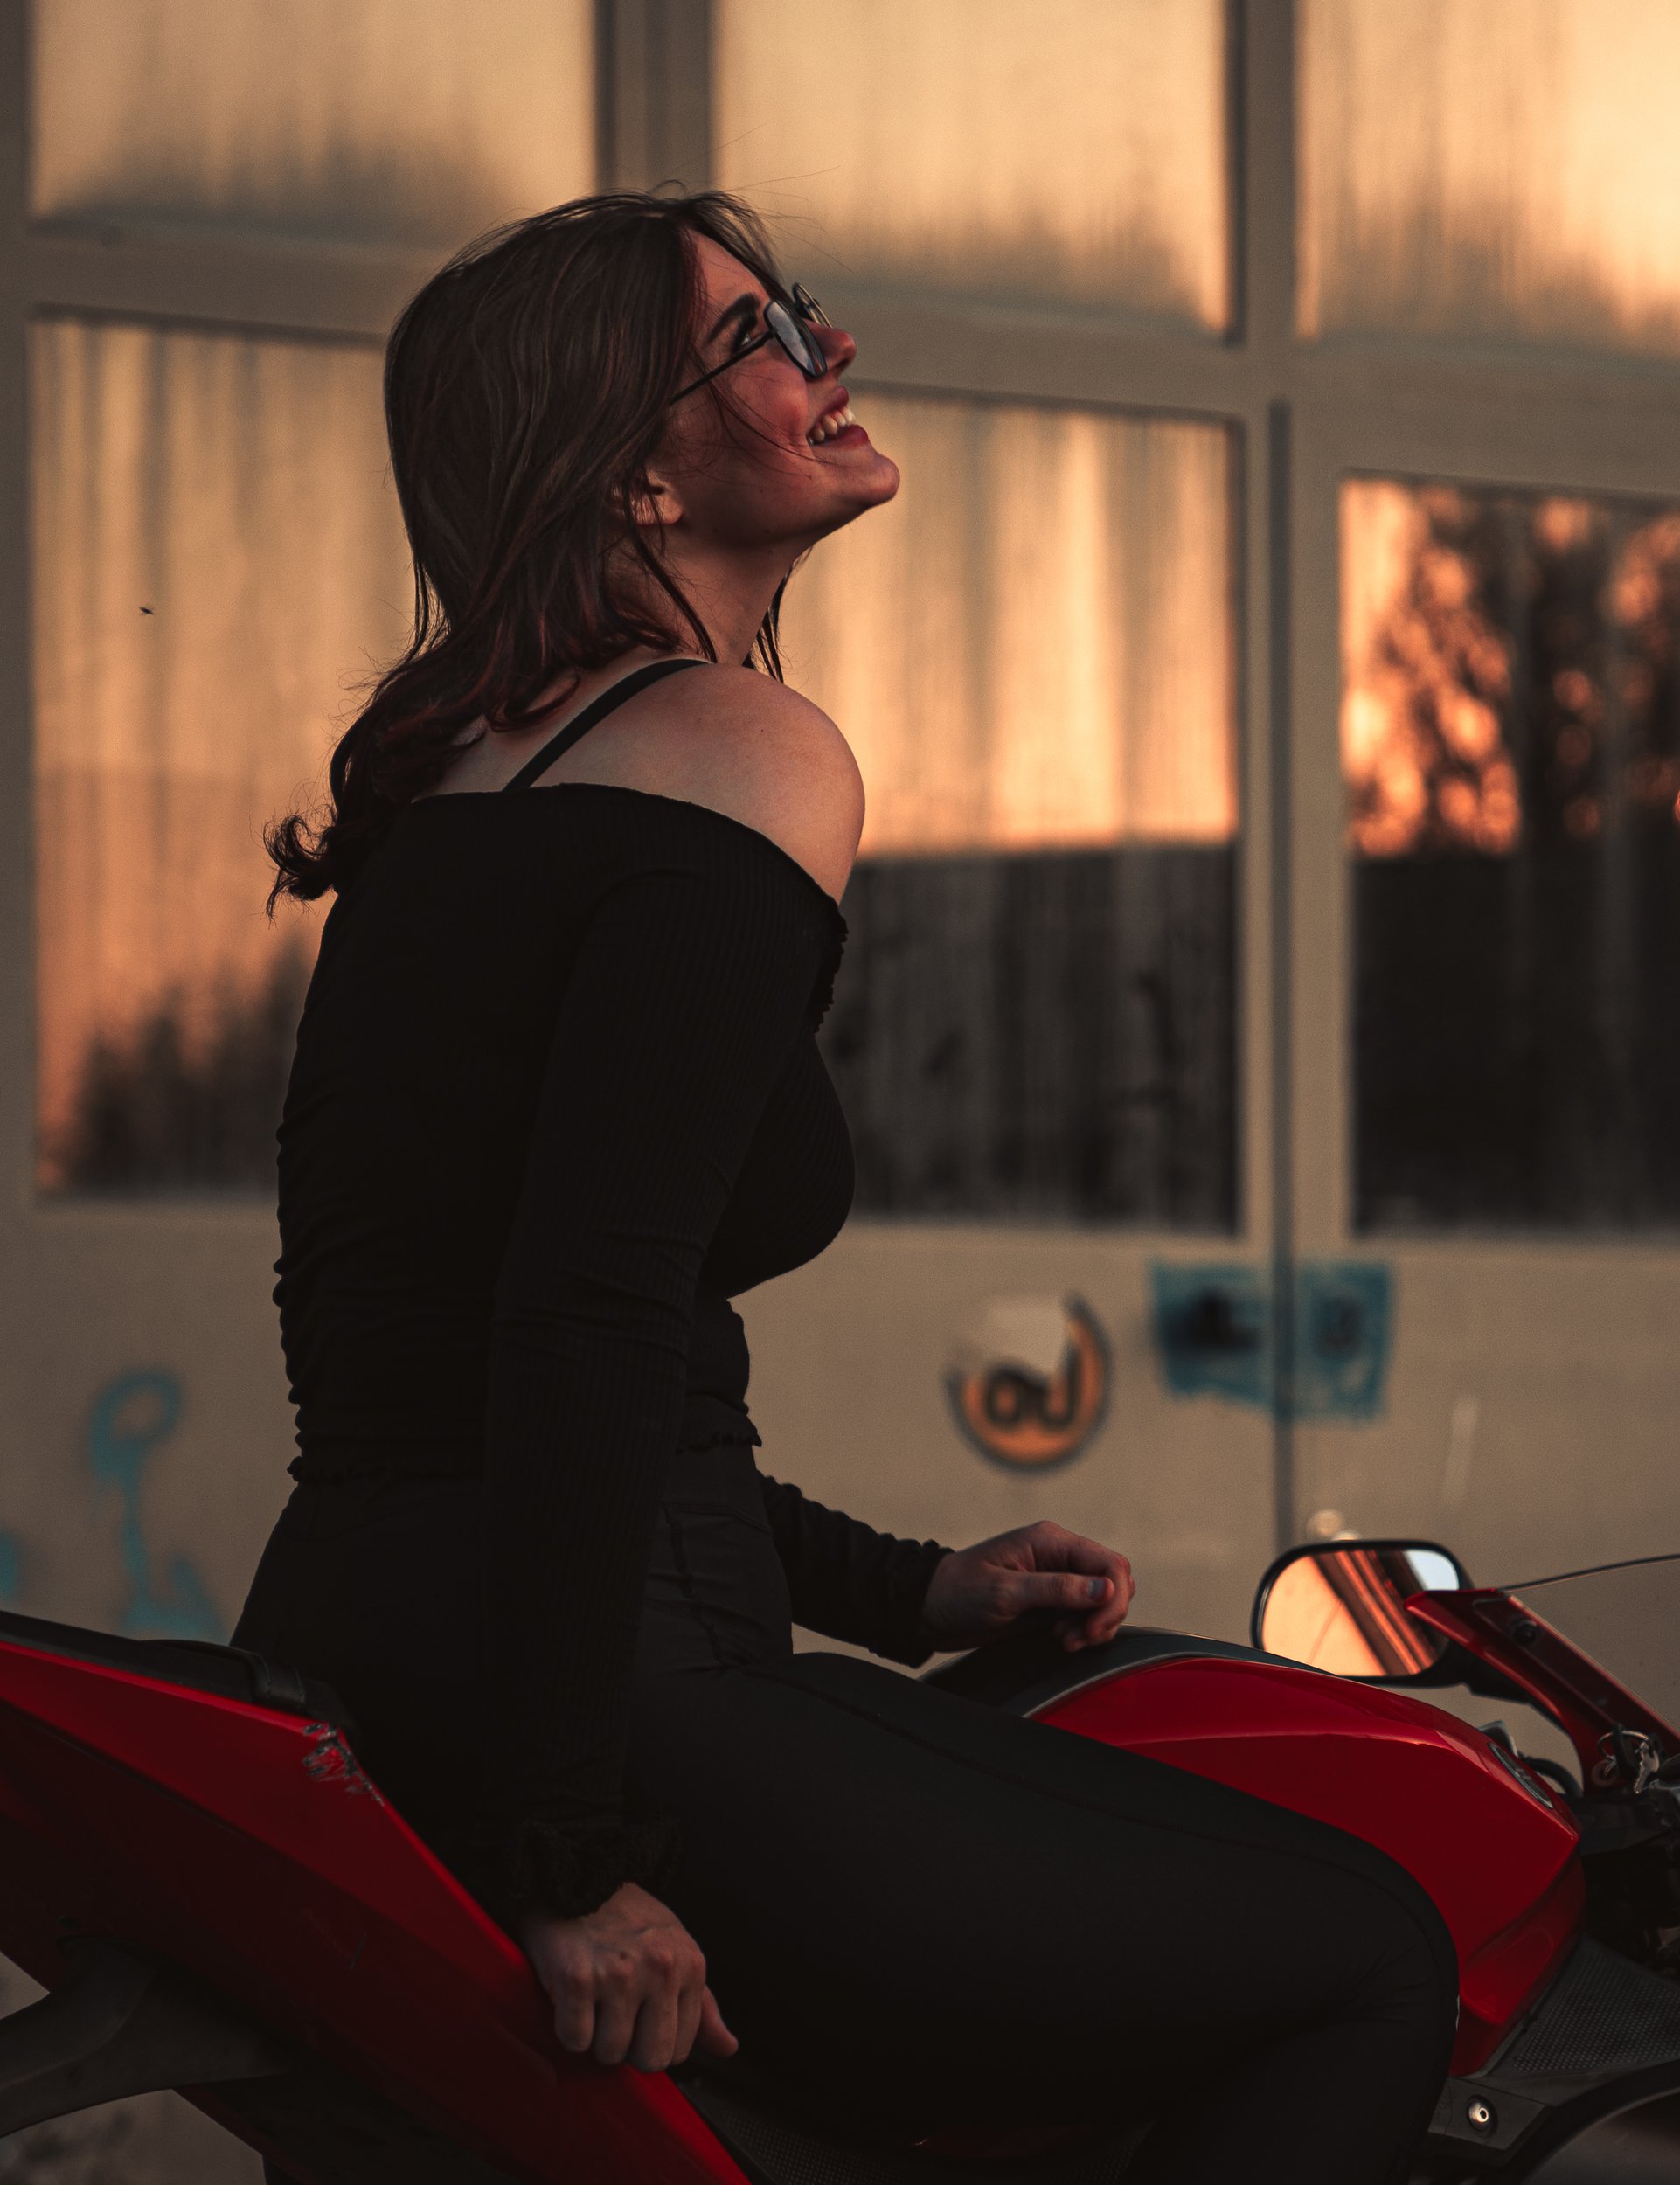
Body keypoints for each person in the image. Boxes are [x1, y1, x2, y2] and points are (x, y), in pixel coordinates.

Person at [236, 190, 1457, 2184]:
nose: (829, 353)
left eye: (791, 310)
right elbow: (588, 1316)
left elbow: (451, 1353)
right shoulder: (736, 749)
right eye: (754, 338)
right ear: (631, 468)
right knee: (1370, 1950)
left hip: (378, 1647)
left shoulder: (458, 782)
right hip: (599, 1697)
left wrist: (913, 1589)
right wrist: (572, 1854)